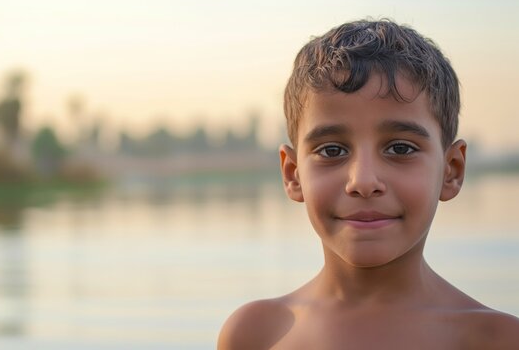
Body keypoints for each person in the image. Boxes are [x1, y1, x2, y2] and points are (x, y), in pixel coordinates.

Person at [217, 19, 519, 349]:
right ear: (292, 173)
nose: (363, 181)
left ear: (451, 170)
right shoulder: (256, 334)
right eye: (331, 150)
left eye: (400, 148)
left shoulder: (496, 339)